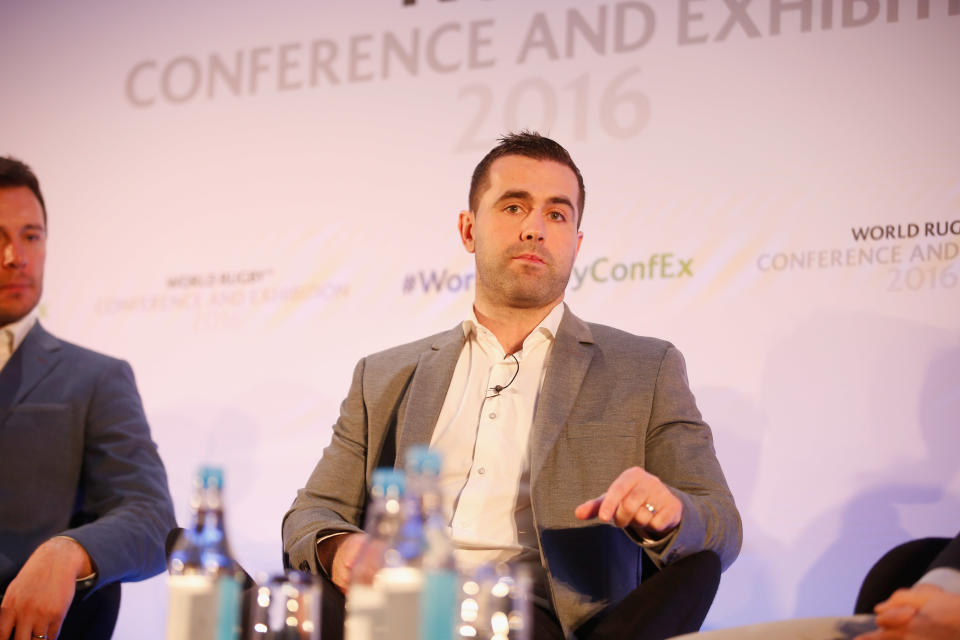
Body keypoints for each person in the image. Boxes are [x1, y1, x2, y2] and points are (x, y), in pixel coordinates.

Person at [282, 132, 742, 639]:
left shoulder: (644, 368)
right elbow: (311, 513)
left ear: (577, 243)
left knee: (694, 572)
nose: (534, 229)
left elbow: (721, 523)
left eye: (557, 214)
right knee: (271, 602)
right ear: (468, 229)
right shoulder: (385, 375)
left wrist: (671, 512)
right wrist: (342, 549)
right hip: (394, 608)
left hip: (529, 618)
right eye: (513, 207)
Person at [0, 157, 176, 640]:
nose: (16, 256)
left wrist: (68, 551)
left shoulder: (95, 377)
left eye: (31, 236)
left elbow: (152, 520)